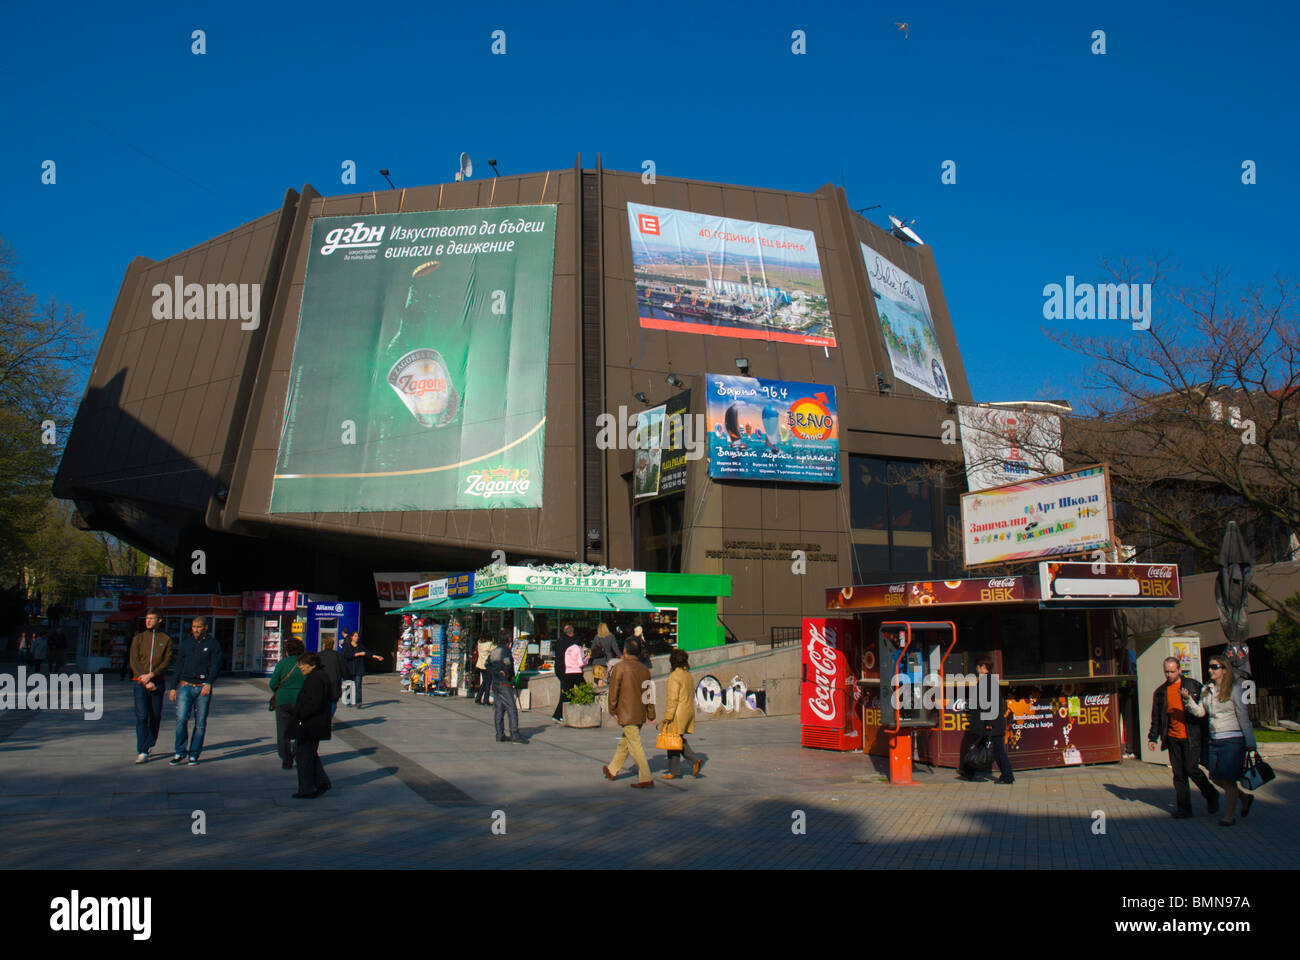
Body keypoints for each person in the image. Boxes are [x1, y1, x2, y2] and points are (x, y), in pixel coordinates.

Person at [1184, 656, 1257, 826]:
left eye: (1215, 667)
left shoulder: (1234, 690)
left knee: (1229, 780)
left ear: (1224, 669)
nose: (1210, 670)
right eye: (1209, 667)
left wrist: (1250, 742)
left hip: (1232, 739)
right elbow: (1201, 712)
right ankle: (1244, 798)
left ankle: (1229, 816)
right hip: (1215, 739)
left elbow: (1243, 717)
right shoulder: (1207, 689)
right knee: (1216, 777)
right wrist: (1188, 701)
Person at [1147, 656, 1218, 818]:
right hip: (1172, 737)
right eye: (1167, 671)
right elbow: (1157, 717)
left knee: (1191, 769)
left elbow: (1203, 711)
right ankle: (1184, 808)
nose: (1169, 675)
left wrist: (1207, 734)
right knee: (1179, 774)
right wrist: (1152, 737)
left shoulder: (1193, 686)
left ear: (1180, 670)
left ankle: (1210, 794)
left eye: (1173, 671)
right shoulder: (1160, 692)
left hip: (1191, 735)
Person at [168, 616, 222, 765]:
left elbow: (216, 665)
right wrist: (173, 687)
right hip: (185, 686)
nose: (195, 630)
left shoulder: (213, 644)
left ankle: (194, 753)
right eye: (193, 627)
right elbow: (179, 665)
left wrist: (209, 683)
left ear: (205, 627)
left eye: (198, 627)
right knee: (181, 719)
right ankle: (179, 752)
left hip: (202, 687)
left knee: (200, 723)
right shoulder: (186, 643)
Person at [602, 637, 655, 788]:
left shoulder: (620, 667)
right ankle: (612, 770)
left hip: (626, 712)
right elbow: (649, 694)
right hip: (639, 713)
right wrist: (651, 714)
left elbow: (614, 690)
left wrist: (612, 709)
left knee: (635, 745)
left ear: (624, 650)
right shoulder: (645, 670)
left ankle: (646, 778)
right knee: (625, 742)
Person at [958, 655, 1014, 785]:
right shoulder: (989, 681)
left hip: (990, 724)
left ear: (983, 667)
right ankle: (968, 770)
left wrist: (988, 723)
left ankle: (1007, 776)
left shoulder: (986, 682)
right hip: (989, 723)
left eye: (978, 666)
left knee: (998, 750)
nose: (977, 669)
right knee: (980, 746)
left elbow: (989, 704)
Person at [129, 609, 174, 764]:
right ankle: (142, 750)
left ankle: (149, 741)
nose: (148, 621)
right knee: (142, 716)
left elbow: (167, 662)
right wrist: (145, 678)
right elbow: (134, 660)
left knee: (155, 715)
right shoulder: (139, 638)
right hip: (140, 682)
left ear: (159, 620)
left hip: (157, 681)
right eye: (147, 618)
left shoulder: (166, 639)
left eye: (152, 618)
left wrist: (153, 675)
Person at [292, 653, 334, 799]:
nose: (300, 667)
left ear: (313, 665)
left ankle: (307, 788)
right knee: (308, 753)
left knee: (303, 755)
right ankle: (322, 782)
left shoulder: (315, 679)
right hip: (315, 723)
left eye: (303, 664)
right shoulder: (318, 676)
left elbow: (314, 702)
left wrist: (300, 713)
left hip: (311, 723)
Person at [659, 649, 704, 779]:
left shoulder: (674, 676)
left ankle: (692, 762)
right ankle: (677, 769)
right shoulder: (687, 675)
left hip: (677, 713)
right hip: (687, 712)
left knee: (673, 740)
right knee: (677, 739)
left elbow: (673, 699)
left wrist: (667, 716)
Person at [270, 638, 307, 770]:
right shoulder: (304, 664)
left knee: (283, 731)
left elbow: (273, 684)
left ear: (287, 651)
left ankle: (286, 759)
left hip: (283, 701)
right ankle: (298, 754)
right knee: (300, 729)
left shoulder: (282, 664)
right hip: (300, 701)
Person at [487, 629, 527, 743]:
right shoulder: (505, 651)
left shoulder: (495, 651)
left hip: (496, 683)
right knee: (511, 708)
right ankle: (514, 733)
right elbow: (508, 664)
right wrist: (504, 673)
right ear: (508, 640)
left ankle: (499, 734)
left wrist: (494, 672)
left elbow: (487, 663)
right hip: (504, 683)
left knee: (499, 708)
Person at [553, 623, 588, 723]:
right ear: (572, 633)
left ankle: (560, 715)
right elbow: (579, 661)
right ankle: (560, 715)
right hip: (571, 670)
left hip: (561, 669)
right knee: (580, 690)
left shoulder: (560, 641)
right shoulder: (573, 644)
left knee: (566, 692)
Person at [344, 630, 383, 706]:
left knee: (358, 685)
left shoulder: (360, 645)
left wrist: (376, 656)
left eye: (357, 636)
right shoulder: (347, 645)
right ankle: (348, 700)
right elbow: (346, 655)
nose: (357, 638)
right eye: (355, 636)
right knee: (349, 685)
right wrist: (358, 654)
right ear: (352, 637)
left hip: (358, 668)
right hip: (349, 668)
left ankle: (358, 702)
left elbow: (367, 653)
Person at [318, 638, 347, 717]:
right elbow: (344, 669)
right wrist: (347, 678)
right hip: (335, 682)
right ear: (333, 645)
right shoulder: (338, 655)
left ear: (323, 645)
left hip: (322, 682)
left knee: (322, 702)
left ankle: (324, 717)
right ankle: (329, 717)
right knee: (333, 702)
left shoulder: (319, 655)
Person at [474, 634, 494, 705]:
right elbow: (495, 650)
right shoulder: (490, 644)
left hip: (480, 664)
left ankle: (478, 698)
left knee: (485, 682)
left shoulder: (479, 643)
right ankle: (486, 700)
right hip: (487, 665)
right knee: (488, 682)